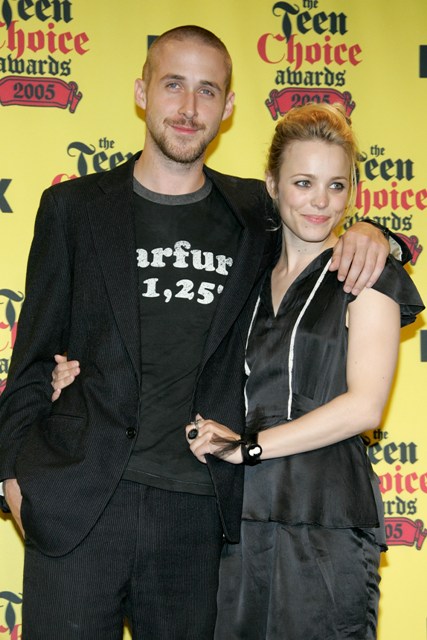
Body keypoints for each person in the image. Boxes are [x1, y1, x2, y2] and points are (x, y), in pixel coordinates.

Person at [0, 25, 406, 640]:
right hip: (80, 502)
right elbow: (31, 359)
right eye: (173, 85)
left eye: (208, 91)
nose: (189, 108)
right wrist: (13, 480)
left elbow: (319, 210)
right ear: (142, 93)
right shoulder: (73, 208)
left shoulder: (254, 212)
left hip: (199, 518)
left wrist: (377, 235)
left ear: (229, 106)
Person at [184, 103, 424, 640]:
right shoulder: (243, 277)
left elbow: (365, 407)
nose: (320, 201)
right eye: (303, 182)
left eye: (336, 186)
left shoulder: (368, 272)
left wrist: (249, 447)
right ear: (272, 184)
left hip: (327, 514)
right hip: (239, 516)